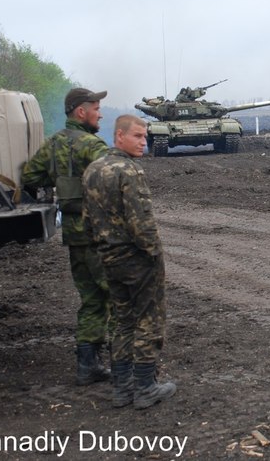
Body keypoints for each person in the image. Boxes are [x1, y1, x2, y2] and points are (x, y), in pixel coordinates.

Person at [82, 115, 176, 410]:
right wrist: (154, 253)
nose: (143, 142)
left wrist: (102, 247)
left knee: (121, 321)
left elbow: (87, 220)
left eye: (145, 136)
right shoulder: (129, 171)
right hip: (137, 259)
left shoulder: (93, 169)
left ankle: (121, 389)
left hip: (109, 258)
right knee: (149, 320)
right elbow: (141, 223)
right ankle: (146, 387)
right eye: (137, 136)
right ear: (119, 136)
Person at [22, 87, 111, 386]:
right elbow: (114, 182)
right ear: (80, 111)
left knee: (92, 299)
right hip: (99, 233)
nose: (100, 113)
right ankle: (131, 369)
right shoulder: (92, 145)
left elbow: (31, 176)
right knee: (120, 295)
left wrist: (60, 180)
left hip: (74, 233)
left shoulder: (54, 143)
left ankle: (88, 365)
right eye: (95, 107)